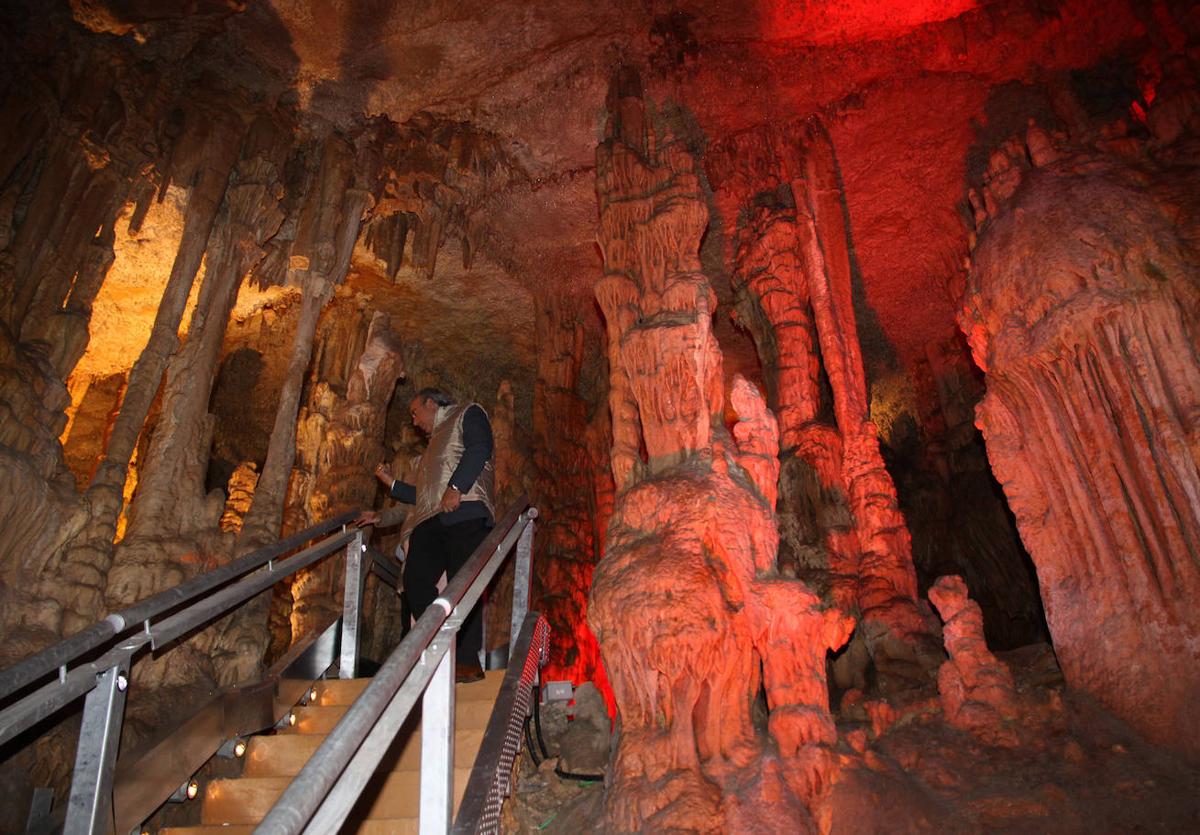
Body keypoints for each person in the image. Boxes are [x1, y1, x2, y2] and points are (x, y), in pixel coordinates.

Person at [358, 387, 495, 683]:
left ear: (431, 403)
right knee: (415, 580)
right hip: (431, 518)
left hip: (465, 510)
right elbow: (422, 493)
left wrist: (456, 487)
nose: (414, 421)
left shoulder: (468, 413)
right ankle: (441, 640)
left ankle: (466, 661)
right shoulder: (431, 450)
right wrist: (391, 485)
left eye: (415, 412)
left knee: (463, 583)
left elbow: (479, 448)